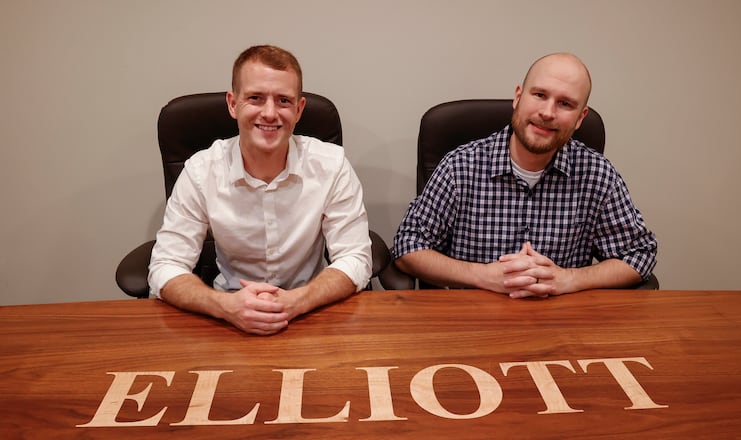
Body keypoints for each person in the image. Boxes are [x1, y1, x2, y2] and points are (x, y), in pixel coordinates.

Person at [392, 53, 657, 298]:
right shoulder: (460, 166)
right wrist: (482, 276)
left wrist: (569, 279)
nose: (547, 113)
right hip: (470, 323)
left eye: (565, 103)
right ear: (518, 97)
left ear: (580, 118)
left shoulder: (597, 175)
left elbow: (639, 254)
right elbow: (408, 247)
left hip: (562, 327)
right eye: (540, 95)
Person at [148, 45, 372, 335]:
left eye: (283, 101)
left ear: (299, 109)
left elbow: (356, 258)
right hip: (227, 316)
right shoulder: (201, 171)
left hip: (312, 312)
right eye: (255, 98)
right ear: (233, 104)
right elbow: (166, 266)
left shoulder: (331, 165)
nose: (269, 113)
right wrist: (225, 306)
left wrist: (294, 302)